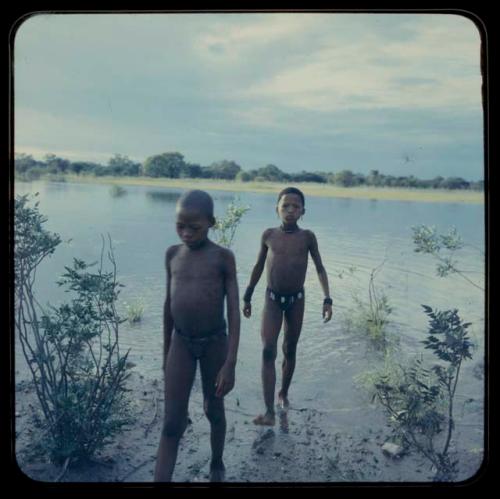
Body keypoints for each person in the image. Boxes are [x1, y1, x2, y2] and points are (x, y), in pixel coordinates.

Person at [154, 190, 240, 482]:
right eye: (180, 226)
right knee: (171, 423)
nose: (186, 233)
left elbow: (234, 312)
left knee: (213, 409)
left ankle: (217, 462)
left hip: (215, 342)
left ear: (212, 223)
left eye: (195, 227)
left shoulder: (223, 258)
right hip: (181, 343)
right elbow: (168, 305)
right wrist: (166, 354)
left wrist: (230, 363)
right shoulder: (172, 254)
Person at [243, 187, 332, 426]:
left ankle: (283, 392)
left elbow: (320, 268)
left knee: (289, 349)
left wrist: (327, 299)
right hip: (272, 300)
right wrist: (248, 295)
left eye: (296, 206)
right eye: (285, 206)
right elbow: (258, 267)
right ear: (277, 209)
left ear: (303, 211)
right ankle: (269, 412)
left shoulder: (307, 237)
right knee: (267, 351)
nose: (290, 210)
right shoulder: (269, 235)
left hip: (296, 301)